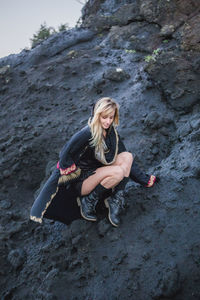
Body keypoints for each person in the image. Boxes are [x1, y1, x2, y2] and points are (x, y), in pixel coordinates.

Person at [30, 97, 156, 227]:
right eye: (104, 117)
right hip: (82, 181)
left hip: (97, 173)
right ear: (97, 115)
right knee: (118, 172)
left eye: (111, 117)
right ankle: (87, 202)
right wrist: (70, 172)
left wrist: (144, 180)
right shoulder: (87, 132)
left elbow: (127, 160)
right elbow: (65, 154)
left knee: (127, 156)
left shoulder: (111, 133)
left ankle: (115, 200)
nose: (108, 121)